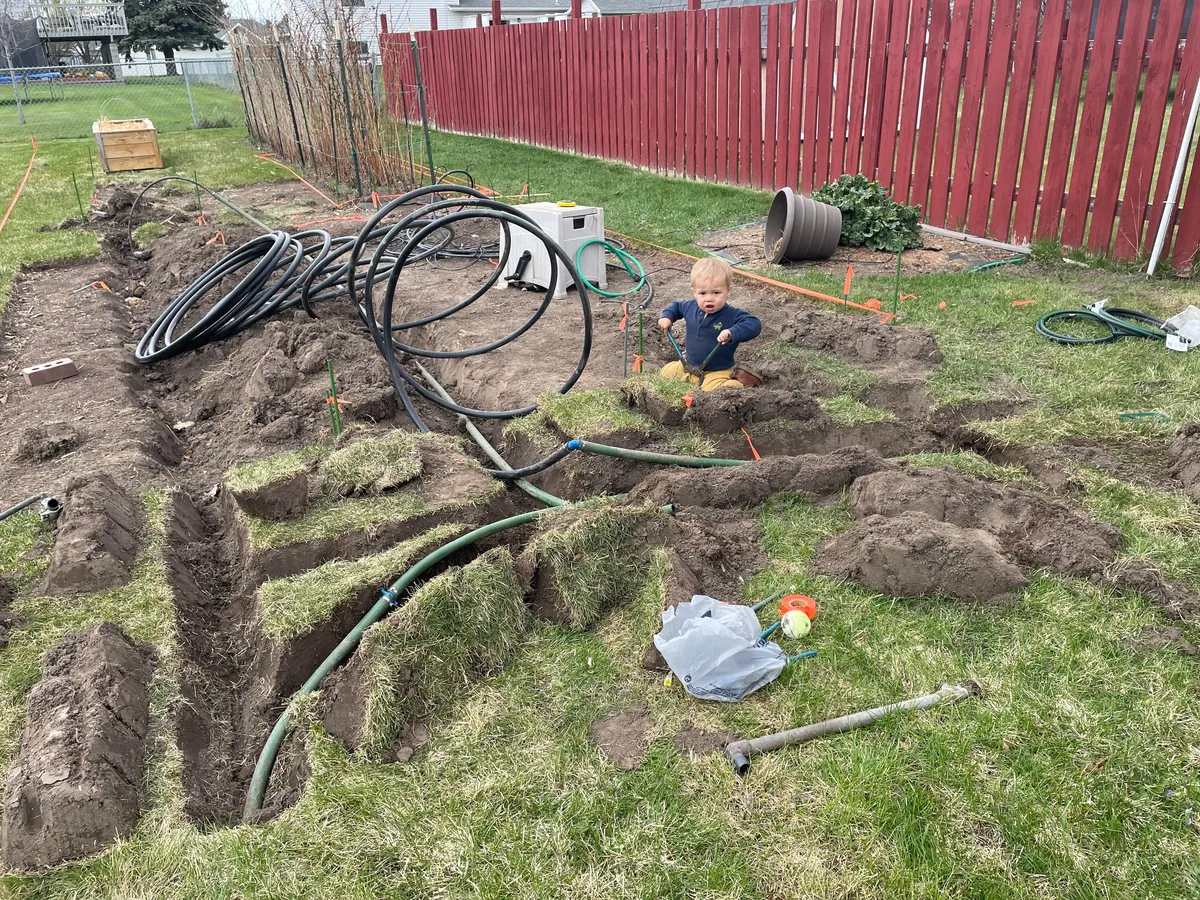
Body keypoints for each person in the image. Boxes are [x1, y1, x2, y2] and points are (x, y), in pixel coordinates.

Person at [657, 257, 762, 390]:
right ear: (694, 292)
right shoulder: (690, 306)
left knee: (713, 391)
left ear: (728, 291)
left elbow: (754, 324)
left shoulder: (731, 314)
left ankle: (741, 384)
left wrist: (732, 332)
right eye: (702, 293)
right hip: (688, 365)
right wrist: (667, 317)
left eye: (716, 293)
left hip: (716, 371)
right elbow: (676, 307)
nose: (709, 298)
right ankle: (693, 379)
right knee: (666, 372)